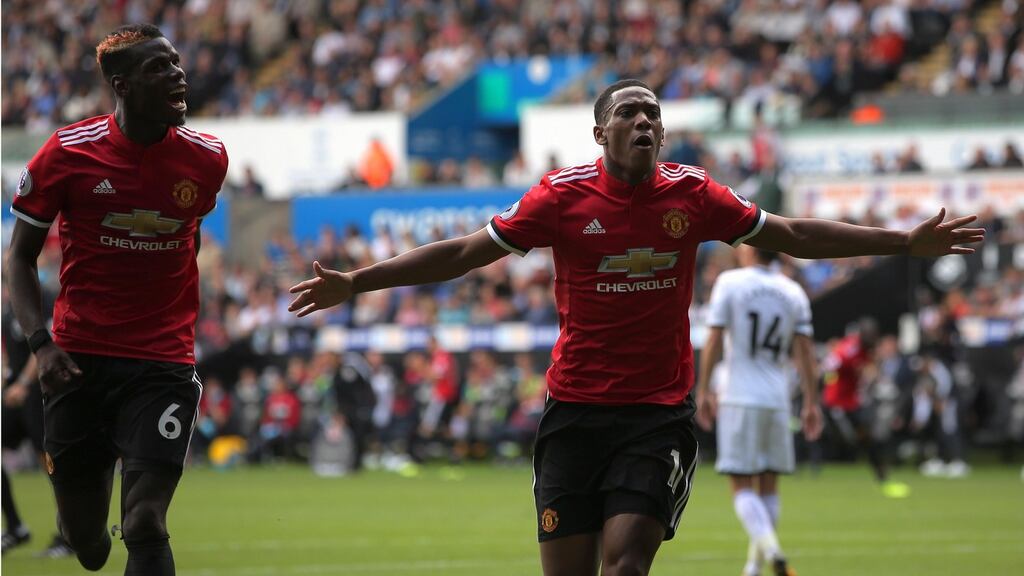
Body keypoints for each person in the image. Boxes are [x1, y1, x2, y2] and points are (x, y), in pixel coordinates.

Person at [287, 79, 983, 576]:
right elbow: (465, 253)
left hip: (656, 416)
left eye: (654, 113)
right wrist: (357, 281)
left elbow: (794, 235)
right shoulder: (559, 198)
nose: (645, 122)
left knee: (625, 565)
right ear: (601, 133)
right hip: (574, 414)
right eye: (629, 113)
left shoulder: (694, 194)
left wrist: (902, 242)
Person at [7, 24, 228, 575]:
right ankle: (86, 529)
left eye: (176, 62)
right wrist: (42, 345)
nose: (178, 75)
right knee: (87, 544)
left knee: (145, 522)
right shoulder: (66, 153)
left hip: (161, 363)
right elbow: (19, 259)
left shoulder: (208, 158)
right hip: (77, 363)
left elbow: (190, 235)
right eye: (159, 67)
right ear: (122, 85)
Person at [695, 246, 822, 576]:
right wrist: (811, 402)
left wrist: (703, 388)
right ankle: (753, 568)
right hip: (777, 398)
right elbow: (805, 352)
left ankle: (773, 551)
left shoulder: (730, 282)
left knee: (741, 486)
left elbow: (714, 339)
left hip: (738, 395)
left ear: (750, 248)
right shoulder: (792, 290)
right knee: (768, 485)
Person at [822, 318, 910, 497]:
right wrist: (826, 388)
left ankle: (882, 478)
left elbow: (869, 368)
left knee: (870, 440)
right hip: (837, 403)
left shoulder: (868, 349)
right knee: (848, 440)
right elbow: (827, 369)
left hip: (852, 403)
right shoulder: (847, 349)